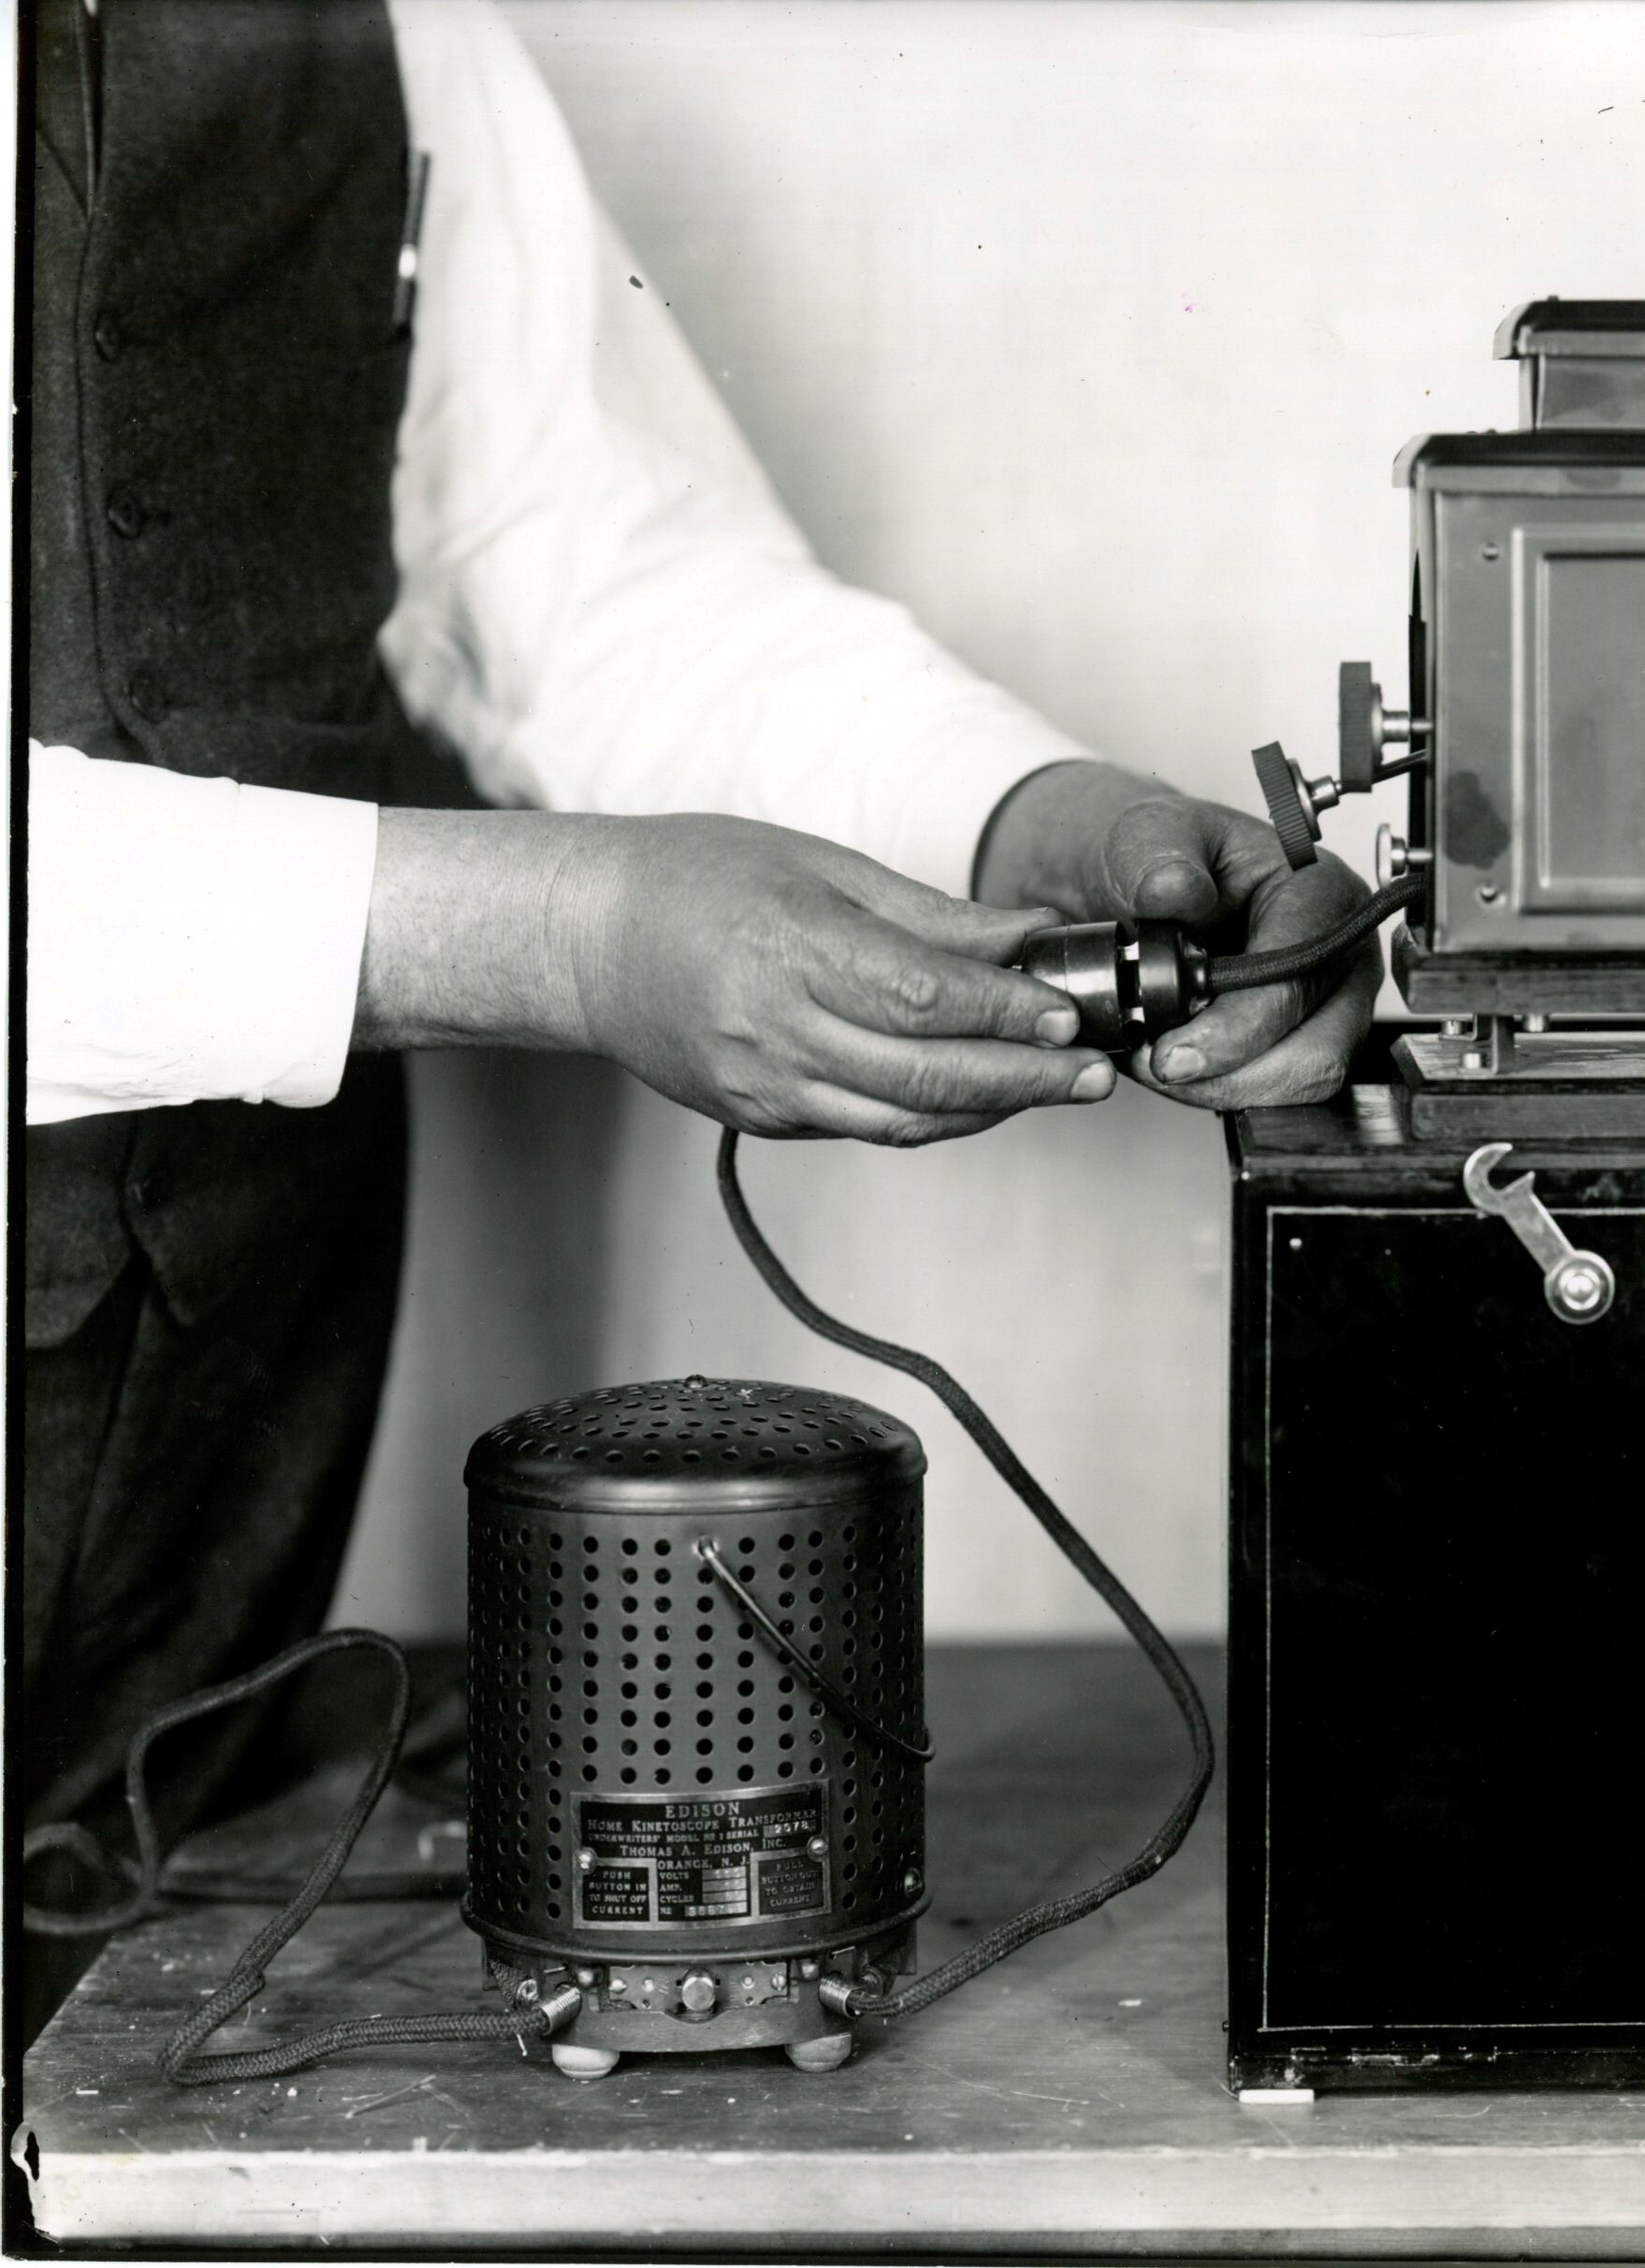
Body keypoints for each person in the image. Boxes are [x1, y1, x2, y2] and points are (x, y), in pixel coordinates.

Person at [12, 0, 1375, 2037]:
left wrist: (1021, 819)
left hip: (203, 1445)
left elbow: (576, 571)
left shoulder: (383, 26)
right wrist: (556, 934)